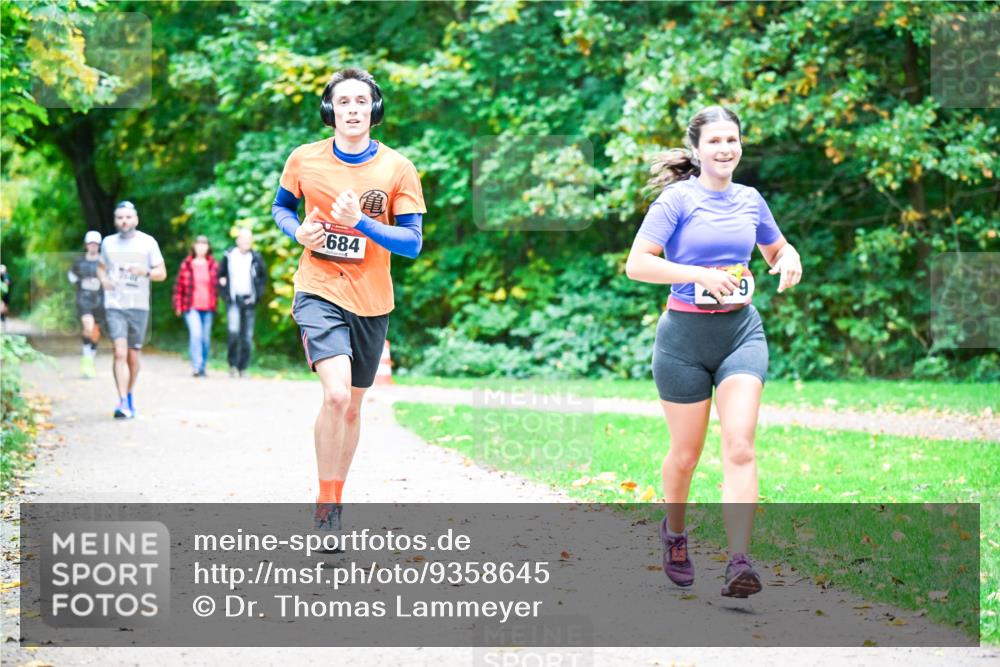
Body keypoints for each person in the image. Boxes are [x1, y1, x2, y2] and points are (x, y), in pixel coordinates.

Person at [625, 106, 802, 598]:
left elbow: (775, 250)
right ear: (698, 149)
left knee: (741, 446)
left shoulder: (751, 200)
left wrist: (791, 257)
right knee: (685, 456)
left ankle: (740, 561)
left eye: (733, 139)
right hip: (682, 341)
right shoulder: (676, 201)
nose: (726, 148)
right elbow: (637, 265)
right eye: (716, 141)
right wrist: (698, 275)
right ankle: (675, 534)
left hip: (741, 334)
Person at [271, 67, 426, 531]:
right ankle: (326, 503)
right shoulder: (304, 159)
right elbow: (282, 207)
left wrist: (361, 222)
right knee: (336, 396)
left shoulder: (398, 168)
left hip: (373, 299)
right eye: (344, 102)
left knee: (355, 404)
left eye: (361, 101)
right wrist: (296, 230)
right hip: (318, 286)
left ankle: (337, 493)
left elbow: (412, 243)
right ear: (330, 110)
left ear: (373, 109)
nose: (353, 110)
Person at [97, 201, 167, 419]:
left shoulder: (148, 242)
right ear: (115, 220)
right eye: (120, 217)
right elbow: (100, 267)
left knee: (133, 358)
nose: (124, 221)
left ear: (135, 219)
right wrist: (104, 281)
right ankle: (122, 401)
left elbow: (162, 273)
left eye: (128, 217)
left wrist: (143, 271)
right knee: (119, 352)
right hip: (115, 305)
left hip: (138, 305)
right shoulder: (108, 243)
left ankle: (129, 394)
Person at [217, 228, 266, 377]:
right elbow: (220, 275)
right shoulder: (229, 256)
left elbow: (263, 278)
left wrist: (258, 295)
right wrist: (223, 289)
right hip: (233, 299)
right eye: (243, 239)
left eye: (249, 239)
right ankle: (232, 365)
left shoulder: (256, 257)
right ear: (237, 240)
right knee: (233, 332)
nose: (246, 242)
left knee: (247, 337)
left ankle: (242, 368)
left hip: (249, 300)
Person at [172, 235, 219, 377]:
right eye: (198, 244)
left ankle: (203, 366)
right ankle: (196, 367)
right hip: (191, 307)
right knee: (196, 334)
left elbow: (219, 286)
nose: (201, 247)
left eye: (204, 244)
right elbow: (178, 287)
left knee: (205, 338)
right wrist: (178, 305)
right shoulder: (186, 264)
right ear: (194, 247)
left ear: (208, 247)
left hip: (209, 307)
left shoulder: (213, 265)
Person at [67, 230, 106, 378]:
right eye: (90, 243)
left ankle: (90, 358)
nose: (93, 246)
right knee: (88, 326)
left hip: (100, 300)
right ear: (86, 245)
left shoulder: (104, 262)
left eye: (96, 244)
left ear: (99, 245)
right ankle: (86, 358)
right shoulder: (79, 261)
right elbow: (71, 275)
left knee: (96, 331)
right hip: (84, 298)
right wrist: (81, 281)